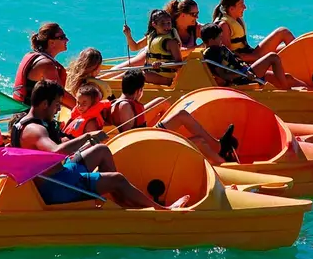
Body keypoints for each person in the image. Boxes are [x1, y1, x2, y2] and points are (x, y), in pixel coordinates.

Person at [11, 80, 190, 209]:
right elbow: (56, 151)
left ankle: (121, 202)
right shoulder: (34, 130)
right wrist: (87, 136)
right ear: (44, 104)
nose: (58, 109)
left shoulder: (27, 122)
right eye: (56, 105)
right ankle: (163, 210)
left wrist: (77, 142)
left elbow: (52, 149)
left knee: (101, 150)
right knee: (117, 179)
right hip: (57, 187)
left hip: (60, 174)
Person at [109, 70, 234, 165]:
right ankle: (223, 161)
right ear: (138, 91)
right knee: (199, 141)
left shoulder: (119, 103)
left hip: (147, 138)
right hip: (147, 149)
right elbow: (130, 140)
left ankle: (220, 152)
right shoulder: (125, 107)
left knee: (175, 112)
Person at [201, 23, 306, 90]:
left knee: (287, 77)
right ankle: (286, 91)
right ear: (210, 40)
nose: (221, 40)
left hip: (246, 72)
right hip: (243, 79)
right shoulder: (211, 53)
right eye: (219, 38)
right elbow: (224, 76)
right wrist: (244, 73)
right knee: (272, 57)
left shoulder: (219, 48)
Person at [212, 0, 295, 63]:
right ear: (231, 9)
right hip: (246, 60)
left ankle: (302, 63)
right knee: (283, 32)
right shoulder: (224, 25)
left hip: (250, 53)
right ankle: (302, 66)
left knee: (287, 47)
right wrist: (254, 57)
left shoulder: (235, 19)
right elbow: (227, 56)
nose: (245, 7)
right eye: (241, 5)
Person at [13, 22, 76, 108]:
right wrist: (85, 107)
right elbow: (61, 95)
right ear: (51, 42)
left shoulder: (36, 56)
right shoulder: (46, 65)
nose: (67, 40)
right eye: (62, 37)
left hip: (21, 112)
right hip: (32, 116)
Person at [122, 9, 183, 86]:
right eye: (163, 23)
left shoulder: (171, 42)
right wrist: (128, 35)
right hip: (151, 73)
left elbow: (179, 63)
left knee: (133, 76)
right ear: (154, 24)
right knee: (129, 75)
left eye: (169, 23)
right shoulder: (151, 36)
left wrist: (162, 64)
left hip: (165, 78)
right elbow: (134, 47)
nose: (167, 26)